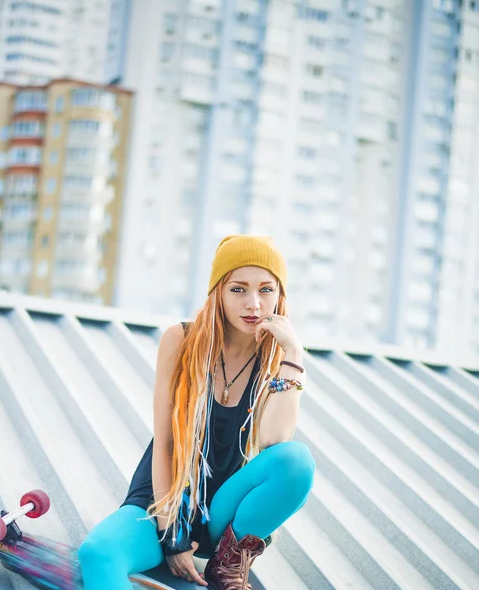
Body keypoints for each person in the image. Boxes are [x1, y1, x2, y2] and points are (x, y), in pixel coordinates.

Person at [78, 235, 316, 590]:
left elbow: (274, 441)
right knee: (98, 553)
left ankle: (227, 564)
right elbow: (165, 441)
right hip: (165, 500)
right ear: (218, 292)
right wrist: (172, 533)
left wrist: (294, 354)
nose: (253, 304)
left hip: (223, 514)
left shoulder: (278, 358)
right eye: (238, 289)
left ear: (280, 296)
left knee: (296, 460)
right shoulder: (181, 340)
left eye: (266, 290)